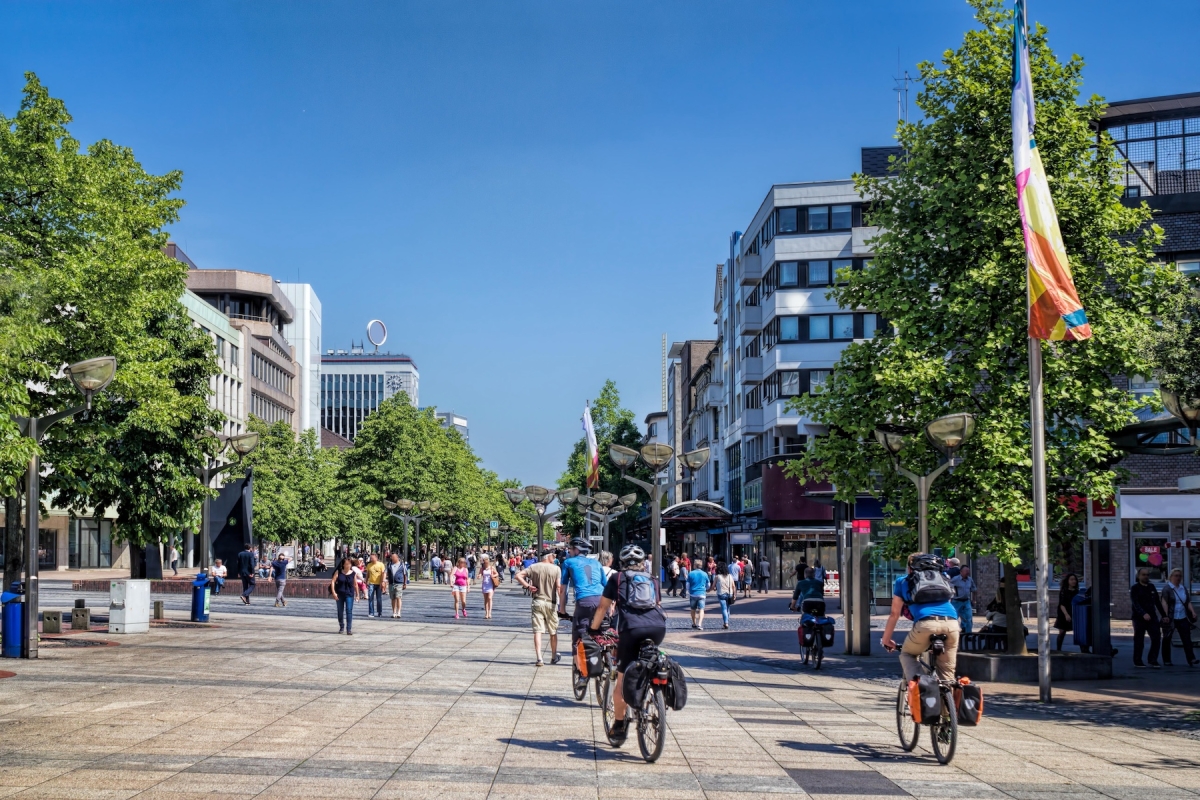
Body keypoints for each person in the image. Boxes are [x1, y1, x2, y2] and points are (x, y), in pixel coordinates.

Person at [588, 544, 667, 743]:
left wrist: (593, 629)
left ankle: (620, 724)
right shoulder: (653, 580)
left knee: (621, 679)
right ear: (642, 563)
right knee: (650, 658)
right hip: (658, 628)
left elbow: (602, 607)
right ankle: (652, 691)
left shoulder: (617, 578)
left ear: (622, 563)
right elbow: (657, 605)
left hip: (631, 629)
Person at [881, 553, 959, 682]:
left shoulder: (903, 581)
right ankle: (949, 698)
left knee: (908, 654)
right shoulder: (943, 578)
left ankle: (922, 688)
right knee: (947, 676)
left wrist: (886, 640)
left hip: (925, 624)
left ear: (910, 568)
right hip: (952, 624)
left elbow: (894, 614)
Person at [559, 538, 607, 661]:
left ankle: (581, 673)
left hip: (585, 600)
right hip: (602, 600)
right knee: (604, 631)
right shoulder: (597, 563)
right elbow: (606, 586)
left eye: (570, 549)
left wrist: (562, 610)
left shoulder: (568, 562)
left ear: (576, 550)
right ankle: (608, 659)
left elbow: (563, 589)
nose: (569, 551)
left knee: (578, 635)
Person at [516, 550, 562, 666]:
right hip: (551, 603)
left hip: (537, 601)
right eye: (553, 556)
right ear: (549, 557)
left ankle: (539, 658)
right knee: (553, 631)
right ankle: (553, 656)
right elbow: (558, 586)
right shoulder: (556, 569)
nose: (554, 557)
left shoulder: (534, 567)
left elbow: (518, 575)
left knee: (538, 630)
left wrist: (527, 586)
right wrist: (561, 603)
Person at [1161, 568, 1197, 667]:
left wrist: (1192, 612)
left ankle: (1191, 659)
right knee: (1167, 638)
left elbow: (1187, 601)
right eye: (1176, 576)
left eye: (1179, 576)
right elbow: (1164, 603)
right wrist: (1165, 615)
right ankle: (1167, 660)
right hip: (1171, 617)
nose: (1178, 578)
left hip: (1182, 617)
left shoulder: (1183, 588)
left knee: (1187, 639)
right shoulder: (1167, 588)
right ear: (1171, 577)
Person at [1131, 567, 1163, 668]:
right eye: (1143, 575)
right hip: (1139, 617)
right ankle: (1138, 661)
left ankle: (1152, 660)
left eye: (1147, 575)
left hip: (1152, 616)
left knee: (1156, 637)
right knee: (1139, 640)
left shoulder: (1151, 587)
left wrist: (1164, 615)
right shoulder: (1135, 588)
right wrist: (1143, 613)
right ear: (1139, 576)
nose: (1146, 577)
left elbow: (1157, 602)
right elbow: (1135, 603)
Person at [330, 557, 357, 634]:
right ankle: (341, 626)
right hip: (340, 594)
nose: (348, 565)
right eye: (347, 564)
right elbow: (333, 581)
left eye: (349, 564)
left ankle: (349, 629)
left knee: (349, 611)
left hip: (349, 594)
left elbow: (355, 584)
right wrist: (334, 592)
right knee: (340, 611)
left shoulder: (353, 573)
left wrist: (357, 594)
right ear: (343, 565)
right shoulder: (338, 572)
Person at [1054, 573, 1079, 651]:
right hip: (1064, 613)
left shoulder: (1077, 591)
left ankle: (1084, 649)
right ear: (1067, 581)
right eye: (1071, 579)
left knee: (1079, 631)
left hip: (1074, 613)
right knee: (1062, 632)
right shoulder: (1063, 591)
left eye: (1074, 579)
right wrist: (1066, 615)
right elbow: (1062, 604)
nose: (1073, 581)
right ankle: (1058, 649)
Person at [949, 564, 977, 634]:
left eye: (968, 571)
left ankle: (968, 634)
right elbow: (948, 586)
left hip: (966, 601)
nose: (968, 572)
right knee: (953, 617)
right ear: (961, 572)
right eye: (966, 571)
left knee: (969, 617)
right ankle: (953, 632)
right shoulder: (955, 579)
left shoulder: (970, 580)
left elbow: (974, 590)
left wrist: (974, 600)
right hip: (956, 601)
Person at [686, 558, 710, 630]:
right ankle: (699, 624)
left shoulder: (691, 573)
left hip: (693, 593)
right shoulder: (704, 574)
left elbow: (687, 585)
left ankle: (694, 623)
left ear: (695, 565)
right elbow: (708, 584)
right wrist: (706, 589)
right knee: (701, 609)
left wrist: (689, 591)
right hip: (702, 593)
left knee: (693, 609)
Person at [385, 553, 408, 619]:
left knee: (398, 597)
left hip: (399, 583)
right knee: (393, 598)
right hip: (391, 583)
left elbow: (405, 574)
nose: (392, 558)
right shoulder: (389, 565)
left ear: (397, 558)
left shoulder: (402, 565)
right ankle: (394, 612)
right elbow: (386, 573)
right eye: (392, 557)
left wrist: (405, 583)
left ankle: (399, 612)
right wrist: (384, 580)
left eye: (394, 557)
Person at [714, 561, 736, 629]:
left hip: (721, 593)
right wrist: (735, 594)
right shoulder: (730, 576)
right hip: (730, 593)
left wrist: (709, 590)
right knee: (728, 608)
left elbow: (713, 586)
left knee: (724, 608)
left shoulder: (717, 576)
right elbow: (733, 586)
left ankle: (726, 623)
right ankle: (726, 621)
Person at [479, 554, 501, 620]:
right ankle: (486, 613)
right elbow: (480, 574)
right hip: (484, 584)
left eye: (487, 562)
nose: (486, 563)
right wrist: (479, 576)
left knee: (490, 598)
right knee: (485, 600)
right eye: (485, 562)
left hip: (490, 584)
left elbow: (497, 573)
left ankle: (490, 612)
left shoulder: (491, 568)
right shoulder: (482, 568)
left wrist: (493, 576)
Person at [364, 553, 385, 618]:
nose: (371, 559)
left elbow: (383, 573)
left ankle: (379, 612)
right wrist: (366, 580)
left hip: (379, 584)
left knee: (379, 599)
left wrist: (383, 582)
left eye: (372, 558)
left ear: (376, 558)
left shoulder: (381, 564)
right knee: (370, 598)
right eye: (370, 558)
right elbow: (368, 574)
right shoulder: (369, 565)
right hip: (371, 583)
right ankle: (371, 612)